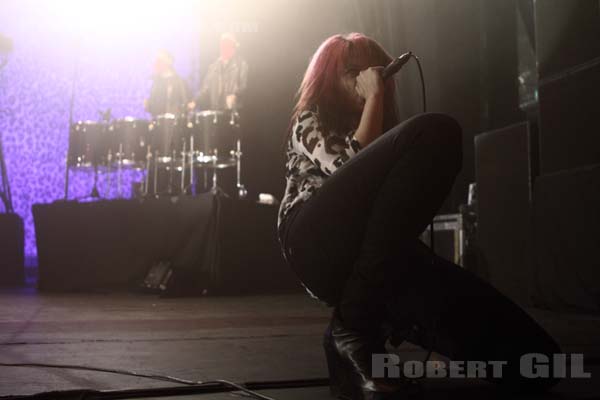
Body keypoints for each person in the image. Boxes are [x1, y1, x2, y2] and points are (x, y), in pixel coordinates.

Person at [277, 33, 561, 398]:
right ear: (329, 76)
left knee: (539, 360)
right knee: (436, 129)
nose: (367, 77)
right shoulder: (308, 119)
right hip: (313, 240)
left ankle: (355, 327)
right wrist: (375, 96)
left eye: (374, 70)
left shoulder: (381, 125)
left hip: (372, 259)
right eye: (353, 71)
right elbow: (348, 163)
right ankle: (354, 326)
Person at [189, 33, 248, 111]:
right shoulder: (213, 67)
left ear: (234, 48)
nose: (225, 48)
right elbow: (205, 89)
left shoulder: (241, 65)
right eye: (223, 45)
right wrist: (195, 102)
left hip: (234, 110)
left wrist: (235, 95)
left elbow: (243, 86)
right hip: (216, 110)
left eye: (228, 45)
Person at [144, 50, 190, 117]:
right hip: (158, 122)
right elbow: (152, 107)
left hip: (175, 122)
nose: (156, 64)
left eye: (159, 61)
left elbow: (186, 103)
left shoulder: (180, 82)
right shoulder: (155, 82)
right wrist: (148, 105)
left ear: (168, 62)